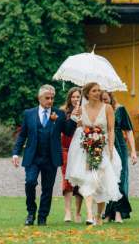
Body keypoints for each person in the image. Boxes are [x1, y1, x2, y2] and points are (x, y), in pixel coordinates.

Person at [12, 84, 78, 226]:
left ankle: (42, 217)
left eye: (52, 98)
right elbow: (22, 135)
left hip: (51, 157)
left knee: (47, 189)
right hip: (33, 157)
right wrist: (16, 153)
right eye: (47, 98)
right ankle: (31, 213)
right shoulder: (29, 114)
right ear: (39, 98)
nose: (50, 101)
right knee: (30, 183)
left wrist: (73, 120)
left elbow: (67, 132)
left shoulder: (58, 114)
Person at [66, 82, 122, 225]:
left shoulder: (107, 108)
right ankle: (90, 215)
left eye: (99, 90)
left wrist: (110, 148)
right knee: (88, 180)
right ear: (87, 94)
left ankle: (98, 215)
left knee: (101, 183)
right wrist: (76, 116)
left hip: (103, 149)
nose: (98, 93)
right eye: (94, 91)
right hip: (86, 150)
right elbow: (78, 127)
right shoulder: (81, 109)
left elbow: (110, 130)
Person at [101, 90, 138, 223]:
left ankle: (118, 213)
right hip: (105, 146)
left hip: (120, 146)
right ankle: (108, 213)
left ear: (111, 98)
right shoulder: (99, 111)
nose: (104, 102)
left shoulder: (120, 110)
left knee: (121, 179)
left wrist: (133, 151)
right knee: (108, 179)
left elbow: (128, 131)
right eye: (102, 100)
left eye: (106, 100)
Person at [60, 87, 84, 223]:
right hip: (66, 149)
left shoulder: (85, 112)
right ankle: (67, 211)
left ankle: (78, 212)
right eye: (73, 97)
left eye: (78, 97)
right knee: (67, 179)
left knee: (80, 179)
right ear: (69, 98)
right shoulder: (63, 112)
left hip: (81, 150)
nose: (75, 99)